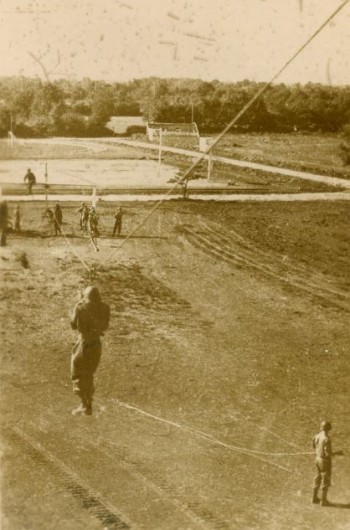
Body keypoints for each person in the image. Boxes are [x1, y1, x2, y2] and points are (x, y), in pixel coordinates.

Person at [70, 286, 110, 415]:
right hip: (96, 344)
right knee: (88, 374)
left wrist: (77, 307)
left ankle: (84, 405)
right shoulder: (104, 309)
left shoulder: (80, 308)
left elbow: (73, 325)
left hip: (83, 344)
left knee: (77, 373)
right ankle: (88, 406)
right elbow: (104, 325)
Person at [312, 420, 343, 506]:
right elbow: (328, 453)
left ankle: (314, 497)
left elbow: (313, 446)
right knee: (325, 480)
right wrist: (337, 453)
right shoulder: (327, 439)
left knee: (317, 478)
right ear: (329, 429)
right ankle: (323, 500)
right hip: (324, 461)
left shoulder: (316, 436)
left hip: (317, 459)